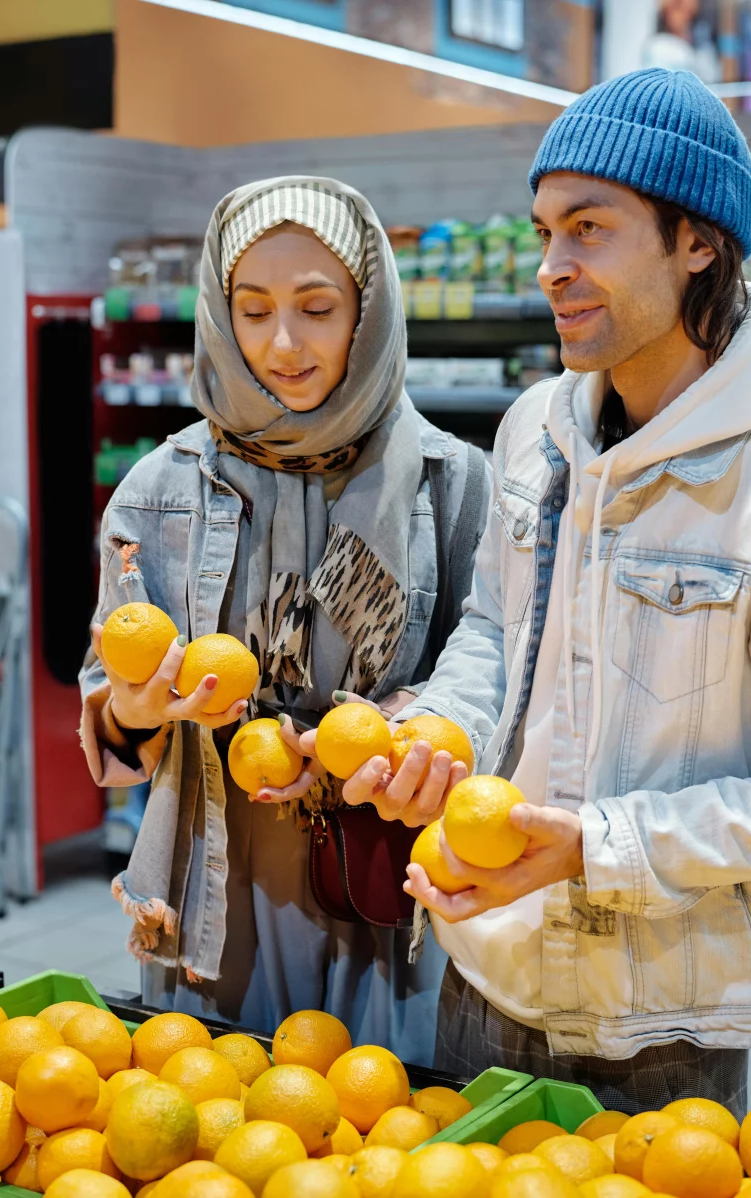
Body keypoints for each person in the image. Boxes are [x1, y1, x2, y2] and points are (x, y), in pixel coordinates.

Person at [339, 68, 751, 1115]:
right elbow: (492, 627)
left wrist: (596, 846)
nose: (549, 268)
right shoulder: (534, 429)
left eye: (587, 229)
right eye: (541, 232)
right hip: (489, 980)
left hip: (673, 1027)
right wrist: (439, 729)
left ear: (695, 239)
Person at [79, 176, 489, 1065]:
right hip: (211, 886)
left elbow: (489, 680)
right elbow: (109, 721)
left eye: (317, 307)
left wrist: (383, 732)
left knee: (374, 1133)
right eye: (253, 310)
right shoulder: (162, 489)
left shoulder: (451, 486)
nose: (283, 343)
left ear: (368, 313)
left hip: (382, 894)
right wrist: (141, 710)